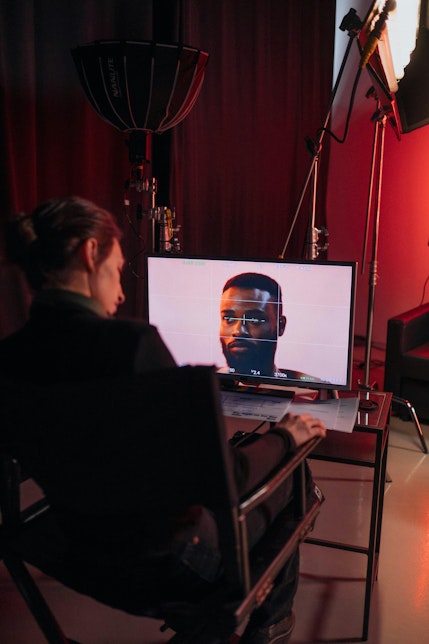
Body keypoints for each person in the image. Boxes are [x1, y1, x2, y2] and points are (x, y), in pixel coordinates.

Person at [0, 196, 326, 644]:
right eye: (117, 271)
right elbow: (228, 480)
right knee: (296, 472)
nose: (119, 294)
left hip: (72, 545)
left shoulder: (8, 356)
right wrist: (287, 436)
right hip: (166, 564)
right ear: (90, 253)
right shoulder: (132, 345)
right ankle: (268, 625)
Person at [219, 272, 319, 383]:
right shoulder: (206, 382)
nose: (238, 331)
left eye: (255, 320)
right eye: (229, 319)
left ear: (280, 326)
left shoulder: (310, 387)